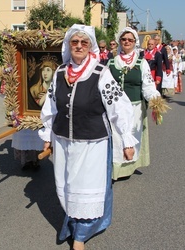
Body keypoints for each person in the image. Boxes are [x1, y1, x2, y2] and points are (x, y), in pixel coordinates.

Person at [38, 24, 137, 250]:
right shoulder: (60, 72)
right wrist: (47, 135)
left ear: (90, 46)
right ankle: (72, 223)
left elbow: (119, 107)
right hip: (64, 141)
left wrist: (127, 139)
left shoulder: (101, 72)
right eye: (75, 42)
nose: (79, 46)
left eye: (84, 43)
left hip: (94, 143)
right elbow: (51, 106)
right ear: (69, 45)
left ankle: (80, 235)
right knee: (67, 186)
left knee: (87, 190)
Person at [107, 27, 163, 180]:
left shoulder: (141, 63)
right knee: (116, 137)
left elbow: (148, 86)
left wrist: (154, 99)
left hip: (135, 107)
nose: (126, 42)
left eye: (130, 40)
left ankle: (127, 168)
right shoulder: (111, 62)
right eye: (124, 39)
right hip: (115, 108)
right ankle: (114, 169)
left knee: (131, 136)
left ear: (135, 42)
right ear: (120, 41)